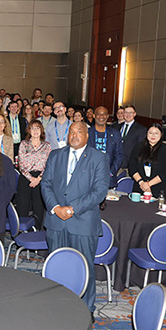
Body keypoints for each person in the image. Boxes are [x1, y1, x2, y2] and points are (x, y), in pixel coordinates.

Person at [41, 122, 109, 313]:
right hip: (56, 221)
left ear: (87, 136)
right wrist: (55, 207)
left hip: (83, 223)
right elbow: (45, 184)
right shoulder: (55, 155)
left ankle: (85, 309)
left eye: (79, 132)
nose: (75, 135)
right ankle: (56, 305)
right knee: (57, 265)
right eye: (71, 132)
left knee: (84, 267)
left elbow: (99, 191)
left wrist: (71, 209)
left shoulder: (98, 158)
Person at [16, 120, 51, 229]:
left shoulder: (47, 146)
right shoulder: (24, 144)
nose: (35, 131)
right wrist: (31, 178)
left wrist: (39, 178)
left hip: (41, 178)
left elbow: (48, 164)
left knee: (39, 207)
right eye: (33, 128)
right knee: (23, 206)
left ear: (41, 130)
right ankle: (22, 231)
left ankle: (37, 232)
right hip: (25, 178)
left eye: (38, 128)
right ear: (29, 130)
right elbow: (21, 164)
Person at [129, 123, 166, 198]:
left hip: (158, 189)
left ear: (161, 134)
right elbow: (132, 167)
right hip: (140, 187)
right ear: (146, 134)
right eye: (150, 133)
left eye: (156, 133)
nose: (153, 135)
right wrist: (142, 183)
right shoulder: (138, 147)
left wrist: (148, 184)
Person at [87, 106, 124, 188]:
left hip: (108, 179)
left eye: (104, 114)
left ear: (107, 116)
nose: (101, 117)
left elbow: (119, 155)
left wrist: (110, 172)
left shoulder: (115, 134)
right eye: (98, 114)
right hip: (89, 178)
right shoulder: (87, 133)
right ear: (94, 116)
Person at [119, 105, 147, 173]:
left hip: (131, 164)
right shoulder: (116, 127)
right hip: (117, 163)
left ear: (134, 114)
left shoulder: (141, 129)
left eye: (130, 112)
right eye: (126, 112)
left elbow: (140, 148)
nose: (128, 115)